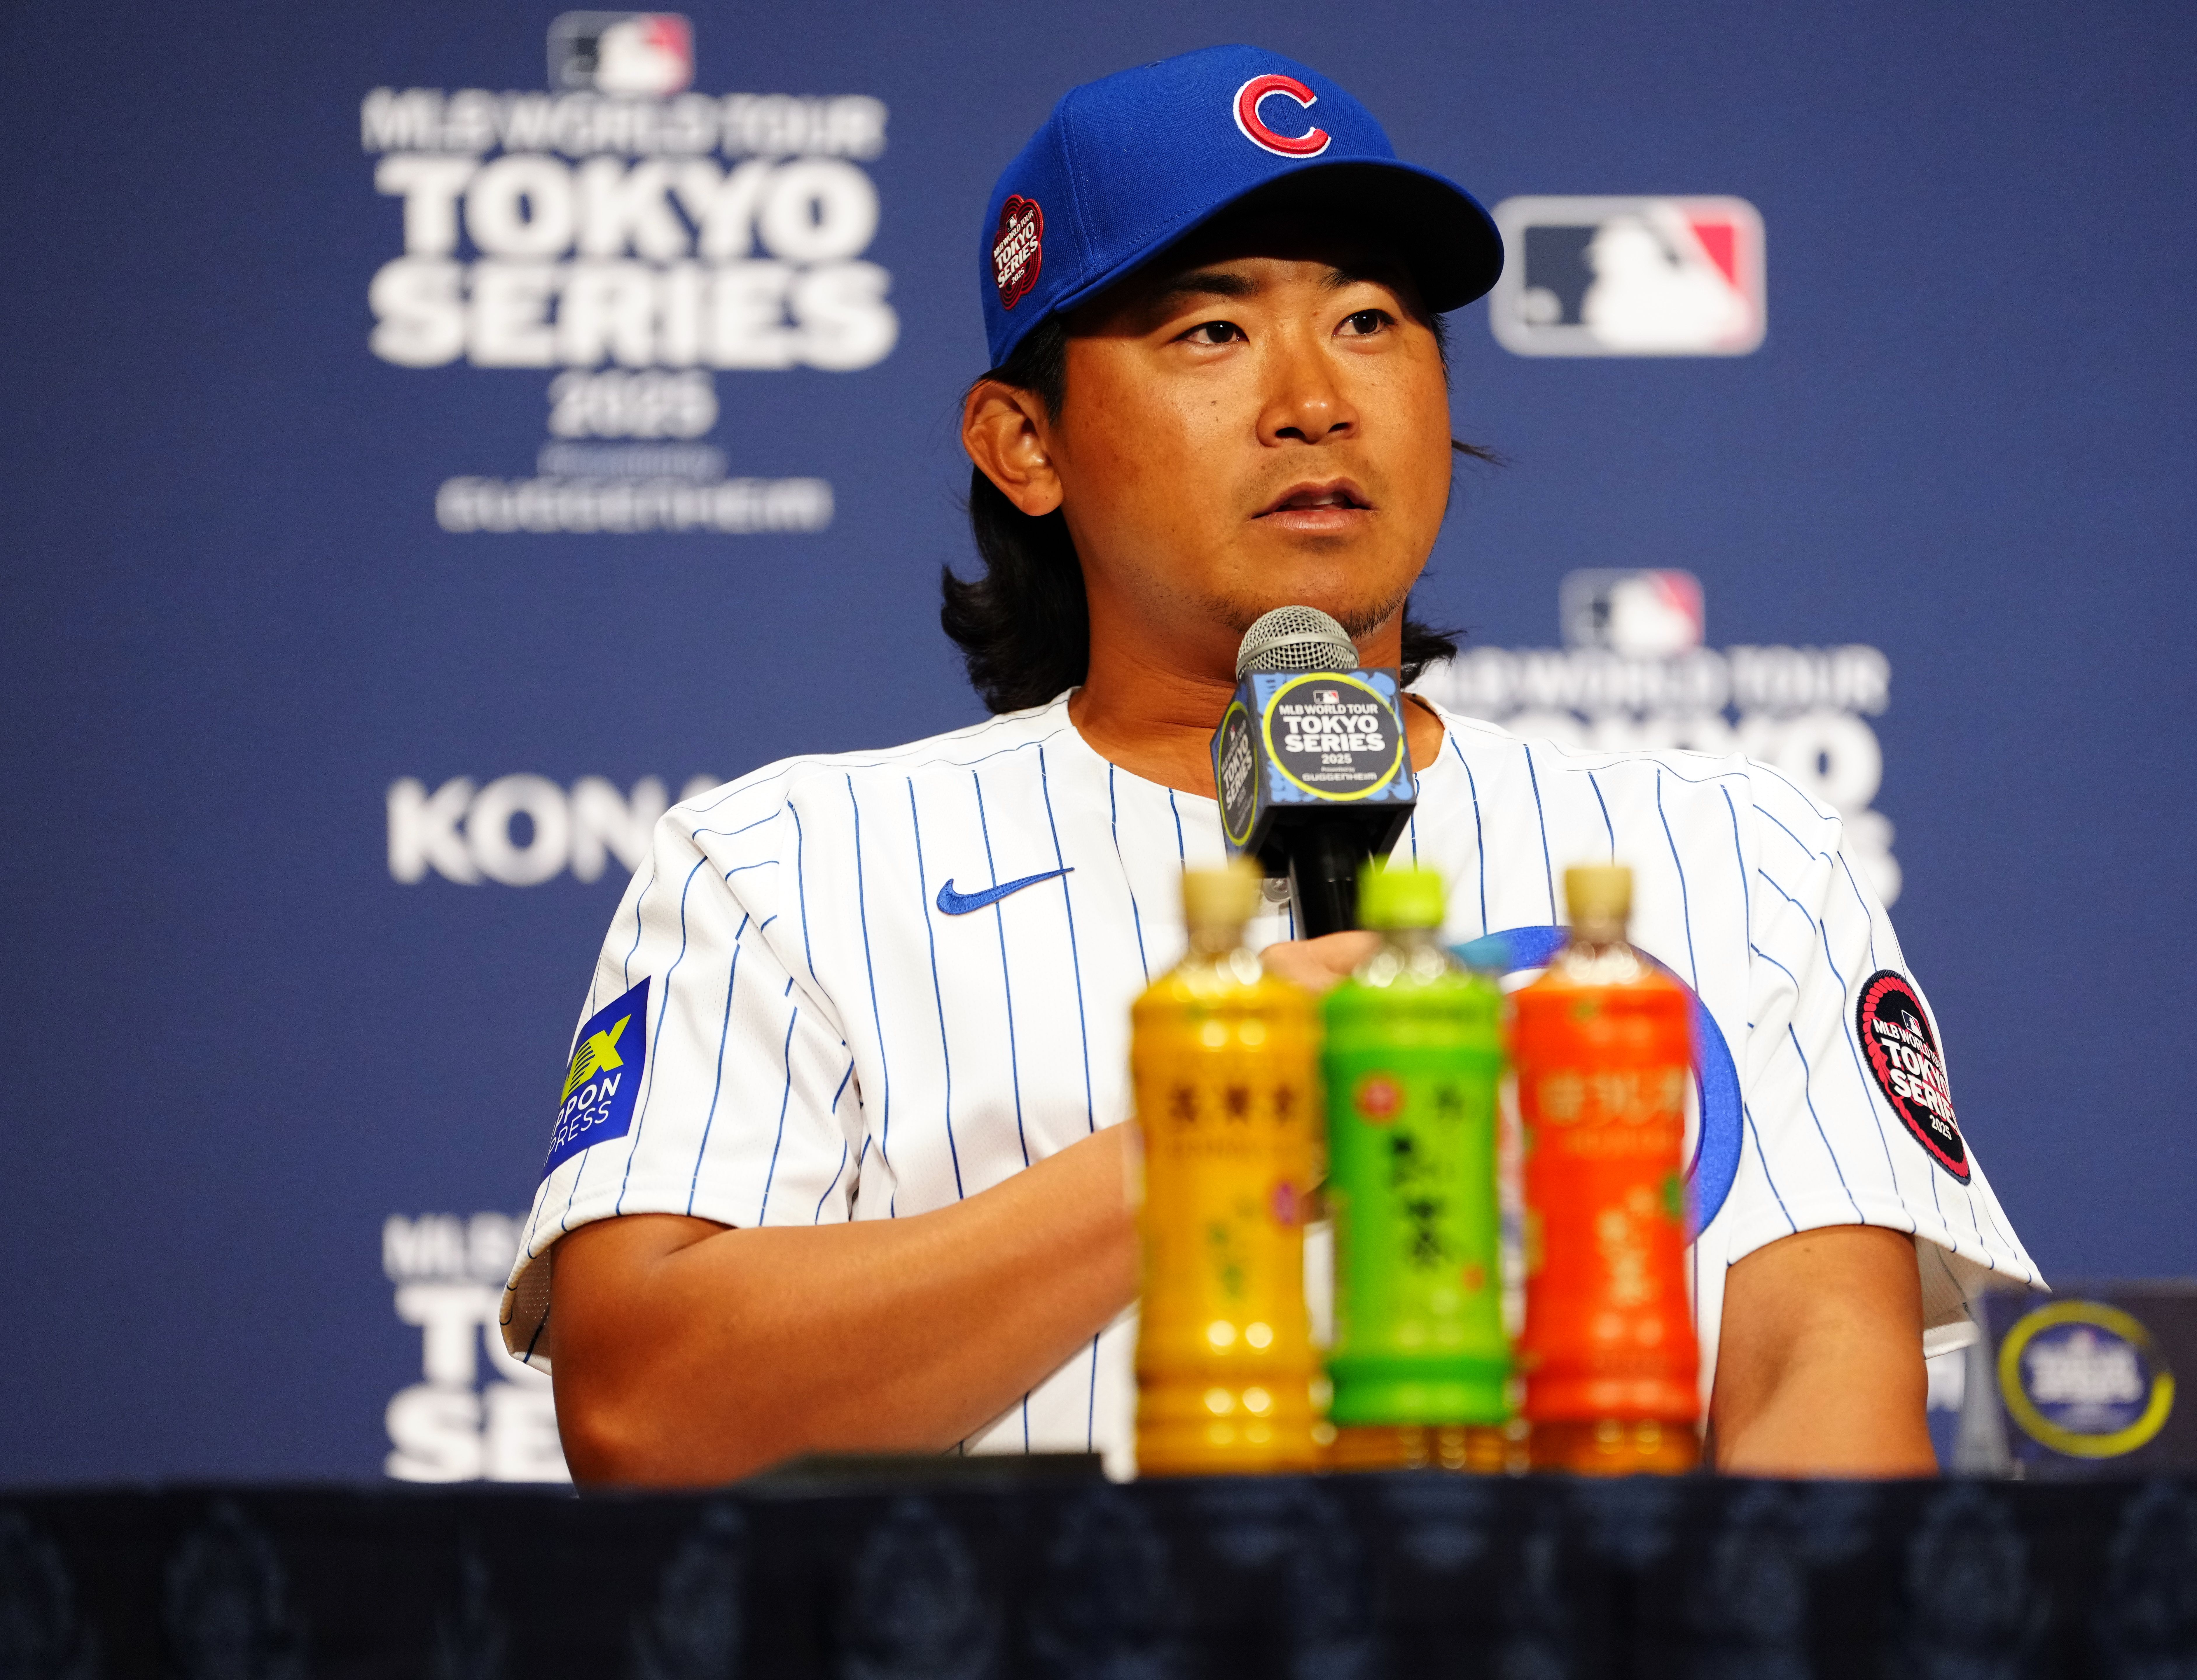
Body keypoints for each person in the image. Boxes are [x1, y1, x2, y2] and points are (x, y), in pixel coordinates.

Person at [499, 44, 2042, 1486]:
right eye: (1212, 332)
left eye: (1372, 321)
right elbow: (645, 1410)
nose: (1317, 400)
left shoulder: (1729, 847)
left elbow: (1821, 1389)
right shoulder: (787, 865)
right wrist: (1210, 1128)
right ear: (1022, 445)